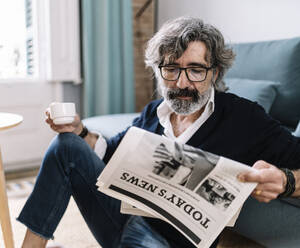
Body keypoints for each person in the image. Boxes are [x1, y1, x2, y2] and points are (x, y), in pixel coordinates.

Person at [17, 17, 300, 248]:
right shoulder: (155, 111)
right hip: (122, 218)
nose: (182, 82)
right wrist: (79, 131)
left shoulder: (244, 118)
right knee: (65, 144)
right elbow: (110, 151)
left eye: (196, 70)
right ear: (158, 69)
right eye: (171, 69)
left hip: (172, 243)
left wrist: (286, 181)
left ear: (214, 72)